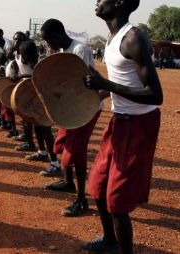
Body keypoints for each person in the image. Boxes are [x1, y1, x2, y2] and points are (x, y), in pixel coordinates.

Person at [82, 0, 163, 253]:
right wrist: (102, 91)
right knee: (97, 184)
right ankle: (110, 241)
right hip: (119, 119)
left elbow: (155, 95)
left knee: (117, 202)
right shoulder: (111, 36)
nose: (97, 1)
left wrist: (105, 85)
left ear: (118, 3)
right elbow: (122, 81)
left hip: (139, 125)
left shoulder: (133, 38)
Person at [40, 19, 103, 217]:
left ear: (57, 35)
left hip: (85, 108)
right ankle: (68, 183)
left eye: (48, 41)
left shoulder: (80, 50)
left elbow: (81, 85)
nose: (48, 45)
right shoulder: (60, 51)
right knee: (62, 143)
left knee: (75, 152)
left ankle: (81, 200)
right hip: (71, 107)